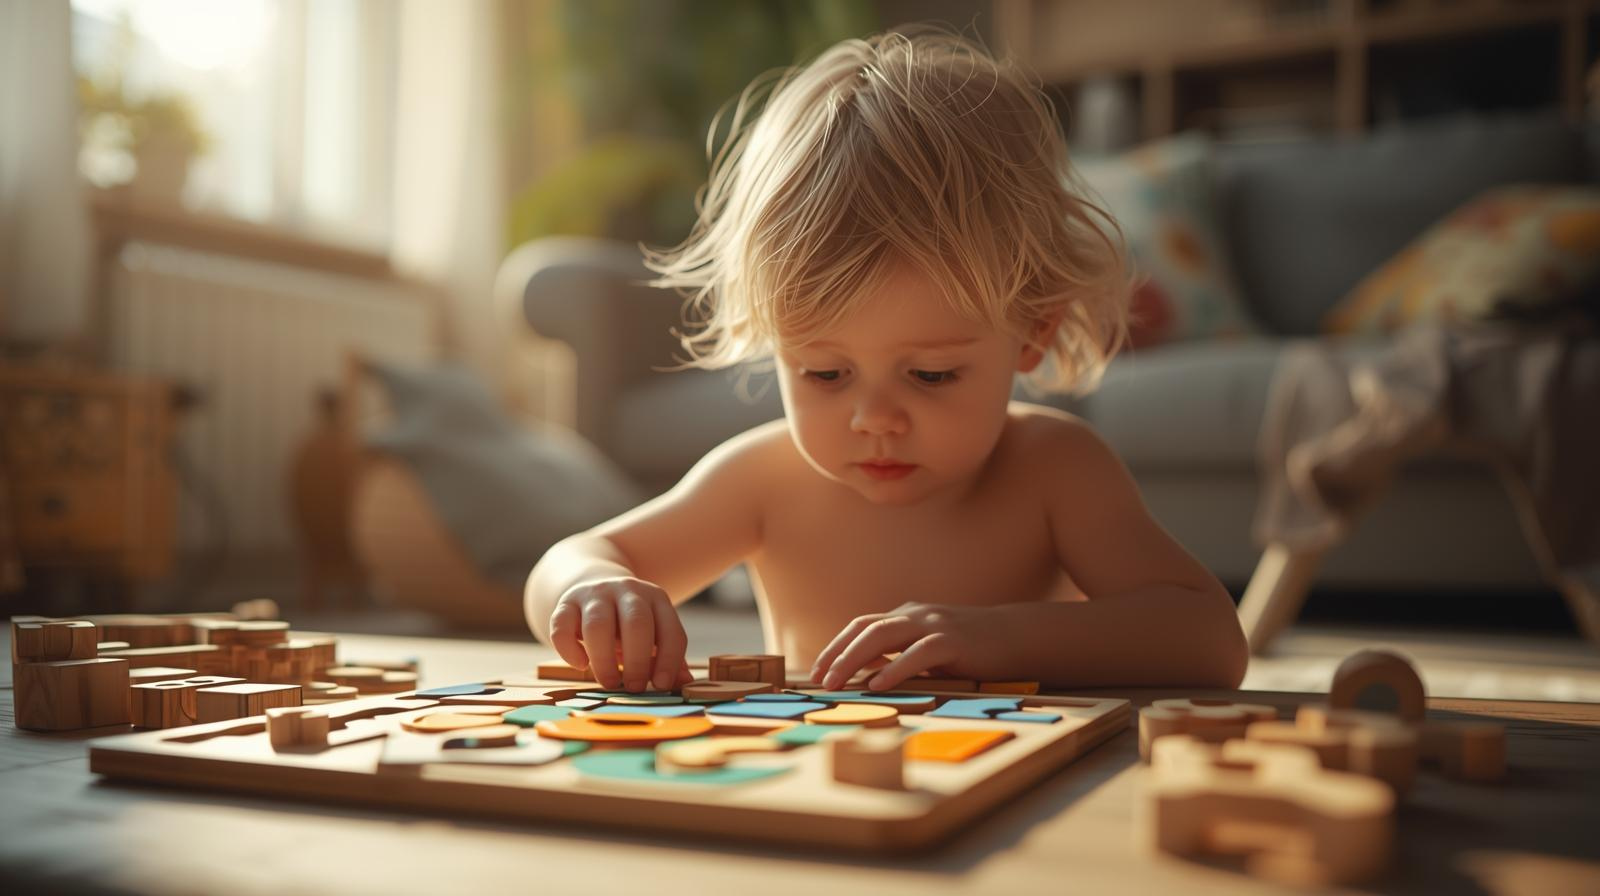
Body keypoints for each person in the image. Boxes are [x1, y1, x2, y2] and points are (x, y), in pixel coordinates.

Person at [525, 28, 1248, 694]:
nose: (874, 420)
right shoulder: (762, 480)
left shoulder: (1057, 471)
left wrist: (994, 636)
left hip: (1006, 795)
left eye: (931, 374)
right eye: (824, 373)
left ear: (1031, 333)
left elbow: (1210, 640)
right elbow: (571, 561)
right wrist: (593, 588)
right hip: (813, 786)